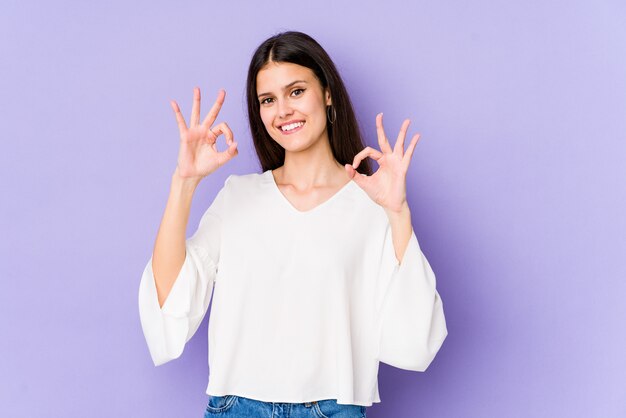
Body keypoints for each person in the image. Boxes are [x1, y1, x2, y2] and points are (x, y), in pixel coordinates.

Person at [138, 31, 448, 418]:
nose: (282, 110)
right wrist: (183, 183)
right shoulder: (238, 197)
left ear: (327, 92)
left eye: (296, 91)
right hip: (237, 408)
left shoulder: (373, 203)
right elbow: (169, 301)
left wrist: (398, 213)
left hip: (334, 409)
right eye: (268, 99)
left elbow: (415, 340)